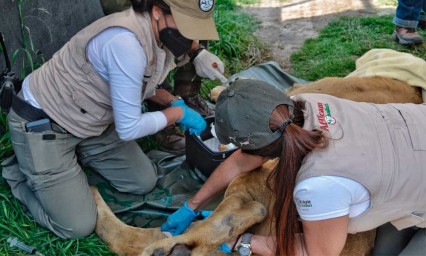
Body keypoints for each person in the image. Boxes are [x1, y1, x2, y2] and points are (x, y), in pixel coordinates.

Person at [1, 0, 226, 239]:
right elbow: (129, 128)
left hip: (91, 120)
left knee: (142, 181)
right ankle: (18, 172)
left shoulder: (157, 35)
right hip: (48, 123)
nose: (191, 36)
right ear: (158, 11)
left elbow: (142, 85)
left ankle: (74, 161)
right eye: (186, 26)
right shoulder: (125, 43)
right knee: (76, 226)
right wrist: (179, 113)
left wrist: (173, 99)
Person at [161, 79, 426, 255]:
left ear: (263, 151)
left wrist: (243, 242)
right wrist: (192, 206)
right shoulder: (304, 103)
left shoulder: (318, 184)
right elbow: (241, 161)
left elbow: (318, 253)